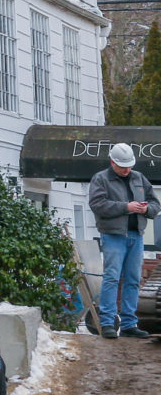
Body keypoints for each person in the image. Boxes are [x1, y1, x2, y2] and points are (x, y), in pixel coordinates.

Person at [87, 142, 154, 339]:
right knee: (112, 278)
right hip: (114, 236)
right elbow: (98, 205)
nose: (126, 170)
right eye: (122, 166)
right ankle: (107, 322)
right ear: (112, 162)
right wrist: (126, 207)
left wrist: (146, 209)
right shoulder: (101, 179)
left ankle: (129, 324)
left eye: (129, 166)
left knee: (133, 280)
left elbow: (155, 203)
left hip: (136, 235)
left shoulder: (139, 178)